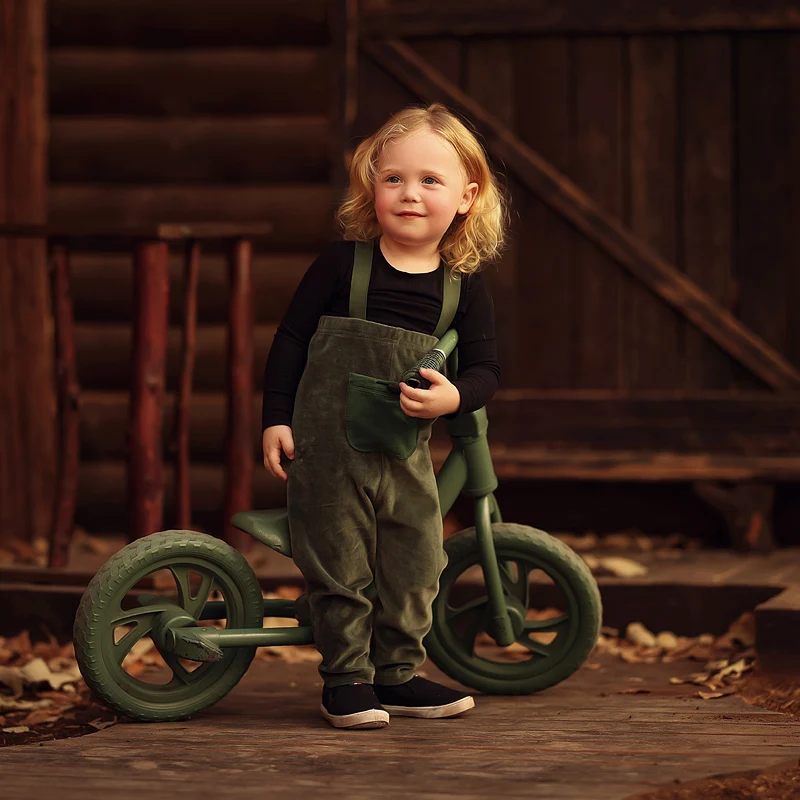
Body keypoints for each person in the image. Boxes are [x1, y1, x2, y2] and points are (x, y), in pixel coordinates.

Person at [261, 103, 507, 730]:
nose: (410, 194)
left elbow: (486, 370)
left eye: (431, 180)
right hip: (328, 447)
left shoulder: (462, 286)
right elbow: (290, 340)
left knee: (417, 559)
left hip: (402, 447)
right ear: (372, 185)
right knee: (341, 559)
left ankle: (397, 674)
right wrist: (276, 418)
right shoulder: (342, 266)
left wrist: (454, 398)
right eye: (393, 177)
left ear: (465, 197)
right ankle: (345, 680)